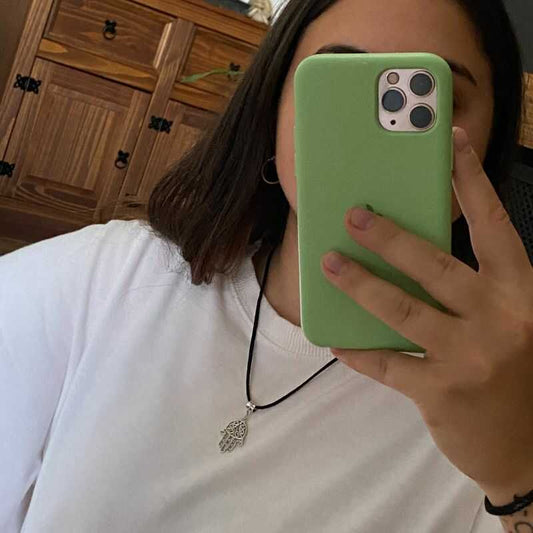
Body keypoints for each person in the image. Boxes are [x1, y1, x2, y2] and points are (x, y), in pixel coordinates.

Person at [0, 0, 529, 531]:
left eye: (430, 98)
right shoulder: (103, 280)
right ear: (273, 108)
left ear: (488, 144)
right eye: (337, 86)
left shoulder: (508, 397)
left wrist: (517, 473)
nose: (372, 137)